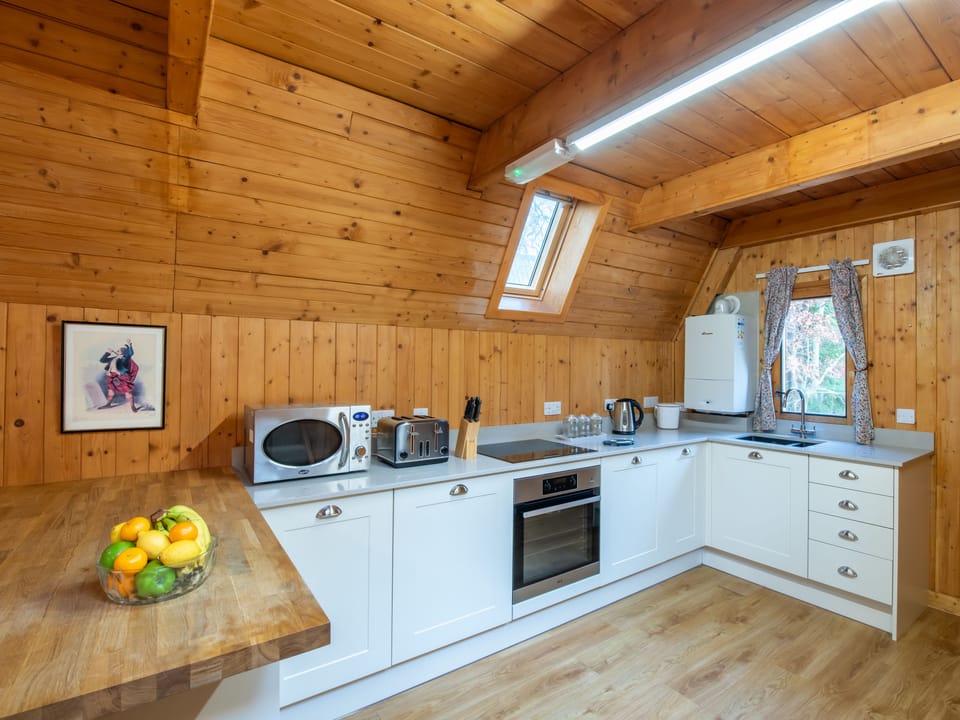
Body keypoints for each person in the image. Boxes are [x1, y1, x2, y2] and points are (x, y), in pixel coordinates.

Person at [98, 340, 140, 412]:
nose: (116, 351)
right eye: (117, 350)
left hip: (121, 377)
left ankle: (133, 407)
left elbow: (131, 353)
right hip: (111, 376)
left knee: (127, 392)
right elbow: (102, 360)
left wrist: (130, 344)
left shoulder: (125, 359)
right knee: (110, 391)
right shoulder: (113, 358)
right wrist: (108, 352)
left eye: (118, 350)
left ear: (123, 353)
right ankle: (108, 404)